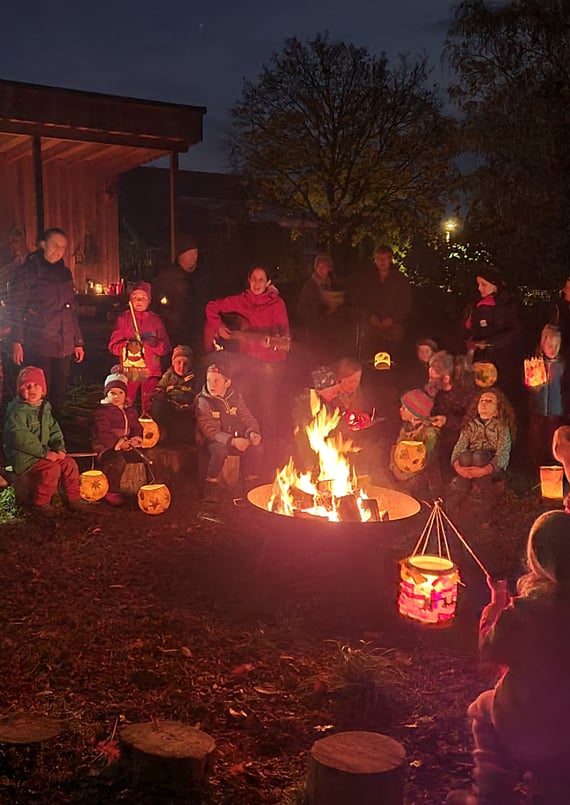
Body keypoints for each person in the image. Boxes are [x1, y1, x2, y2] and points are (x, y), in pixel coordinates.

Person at [445, 511, 570, 805]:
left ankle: (490, 793)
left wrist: (495, 609)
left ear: (537, 557)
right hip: (565, 736)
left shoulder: (525, 613)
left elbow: (491, 649)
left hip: (523, 722)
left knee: (483, 708)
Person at [204, 266, 290, 438]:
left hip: (272, 362)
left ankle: (270, 445)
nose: (257, 283)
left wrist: (274, 341)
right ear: (249, 281)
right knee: (240, 393)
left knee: (268, 405)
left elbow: (284, 335)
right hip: (250, 359)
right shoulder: (241, 300)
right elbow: (212, 307)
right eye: (254, 279)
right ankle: (236, 435)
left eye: (261, 280)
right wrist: (219, 327)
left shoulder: (276, 303)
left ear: (268, 282)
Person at [8, 228, 85, 417]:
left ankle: (53, 429)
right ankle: (35, 431)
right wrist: (16, 341)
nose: (59, 251)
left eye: (63, 247)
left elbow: (70, 309)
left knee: (58, 391)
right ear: (43, 244)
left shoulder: (64, 273)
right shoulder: (28, 272)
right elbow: (17, 308)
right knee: (39, 389)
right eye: (55, 245)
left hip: (63, 342)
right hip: (39, 342)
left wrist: (77, 342)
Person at [3, 366, 85, 517]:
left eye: (36, 385)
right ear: (20, 390)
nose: (32, 389)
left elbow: (54, 430)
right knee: (51, 469)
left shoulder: (44, 409)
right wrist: (45, 453)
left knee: (69, 464)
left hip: (43, 454)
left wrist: (59, 448)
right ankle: (40, 503)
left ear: (43, 390)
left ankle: (73, 498)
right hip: (25, 458)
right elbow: (20, 437)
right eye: (27, 386)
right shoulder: (17, 412)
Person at [195, 362, 263, 500]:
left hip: (235, 438)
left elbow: (247, 417)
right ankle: (210, 485)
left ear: (227, 383)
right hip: (212, 441)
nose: (211, 385)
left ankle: (251, 483)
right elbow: (209, 431)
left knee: (257, 448)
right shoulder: (203, 401)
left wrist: (252, 433)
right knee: (220, 451)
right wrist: (232, 441)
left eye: (216, 381)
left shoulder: (236, 397)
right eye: (209, 381)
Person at [108, 281, 171, 414]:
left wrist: (153, 345)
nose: (139, 301)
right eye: (135, 297)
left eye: (143, 298)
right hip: (130, 371)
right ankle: (124, 424)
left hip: (151, 371)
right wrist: (127, 346)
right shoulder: (124, 320)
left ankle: (148, 429)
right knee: (126, 400)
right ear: (130, 300)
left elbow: (165, 347)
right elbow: (113, 346)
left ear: (149, 301)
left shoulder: (155, 321)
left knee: (149, 401)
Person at [450, 387, 516, 504]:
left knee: (478, 456)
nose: (484, 403)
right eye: (482, 401)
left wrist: (486, 470)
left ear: (497, 409)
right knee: (465, 455)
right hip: (471, 463)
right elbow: (459, 446)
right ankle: (462, 488)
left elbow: (503, 452)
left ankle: (485, 495)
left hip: (491, 466)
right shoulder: (470, 426)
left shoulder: (501, 426)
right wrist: (458, 468)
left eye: (489, 401)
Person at [463, 264, 520, 400]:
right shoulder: (476, 304)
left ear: (495, 285)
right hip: (479, 359)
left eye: (484, 284)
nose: (479, 288)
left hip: (499, 363)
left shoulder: (506, 307)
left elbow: (513, 332)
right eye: (478, 284)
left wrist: (489, 343)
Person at [92, 370, 145, 507]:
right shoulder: (103, 412)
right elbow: (103, 433)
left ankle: (149, 486)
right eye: (112, 393)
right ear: (106, 394)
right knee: (116, 462)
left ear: (126, 394)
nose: (117, 396)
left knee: (146, 456)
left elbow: (137, 427)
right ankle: (111, 491)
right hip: (106, 446)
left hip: (126, 444)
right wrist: (119, 443)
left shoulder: (130, 411)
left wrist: (135, 439)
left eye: (120, 393)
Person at [351, 245, 412, 362]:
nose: (381, 262)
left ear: (390, 259)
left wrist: (392, 319)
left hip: (393, 330)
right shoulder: (368, 279)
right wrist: (370, 317)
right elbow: (360, 301)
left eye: (384, 259)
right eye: (379, 259)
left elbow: (406, 304)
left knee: (391, 362)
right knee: (370, 362)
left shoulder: (400, 280)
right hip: (371, 330)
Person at [153, 233, 209, 354]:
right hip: (174, 332)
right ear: (181, 255)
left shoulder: (202, 274)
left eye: (195, 253)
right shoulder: (168, 275)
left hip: (197, 331)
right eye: (190, 253)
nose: (194, 257)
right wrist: (171, 316)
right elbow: (159, 301)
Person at [428, 351, 478, 478]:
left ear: (446, 378)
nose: (429, 381)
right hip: (445, 437)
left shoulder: (467, 392)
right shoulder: (438, 392)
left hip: (466, 440)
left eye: (433, 378)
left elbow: (470, 422)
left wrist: (447, 421)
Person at [389, 387, 443, 497]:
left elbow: (423, 462)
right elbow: (398, 451)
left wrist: (403, 475)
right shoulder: (406, 428)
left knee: (408, 487)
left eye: (405, 407)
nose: (400, 409)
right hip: (404, 472)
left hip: (422, 475)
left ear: (416, 414)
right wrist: (395, 468)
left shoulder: (430, 433)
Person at [527, 324, 565, 466]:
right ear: (543, 343)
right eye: (549, 344)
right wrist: (532, 386)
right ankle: (537, 465)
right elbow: (529, 385)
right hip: (538, 407)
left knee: (553, 436)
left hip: (556, 409)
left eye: (556, 345)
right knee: (537, 437)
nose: (553, 348)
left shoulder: (562, 364)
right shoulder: (534, 363)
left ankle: (553, 464)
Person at [297, 253, 345, 361]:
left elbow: (343, 303)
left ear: (329, 268)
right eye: (319, 267)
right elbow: (302, 309)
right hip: (315, 332)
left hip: (332, 331)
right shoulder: (310, 286)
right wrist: (321, 309)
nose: (322, 270)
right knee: (316, 360)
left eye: (325, 267)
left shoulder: (334, 284)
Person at [151, 344, 196, 444]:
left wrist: (191, 405)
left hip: (185, 411)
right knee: (157, 405)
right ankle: (161, 429)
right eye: (178, 362)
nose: (181, 366)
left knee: (181, 436)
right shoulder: (168, 376)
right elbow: (159, 389)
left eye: (185, 363)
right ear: (173, 363)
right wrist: (160, 395)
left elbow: (198, 395)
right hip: (169, 408)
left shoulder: (194, 379)